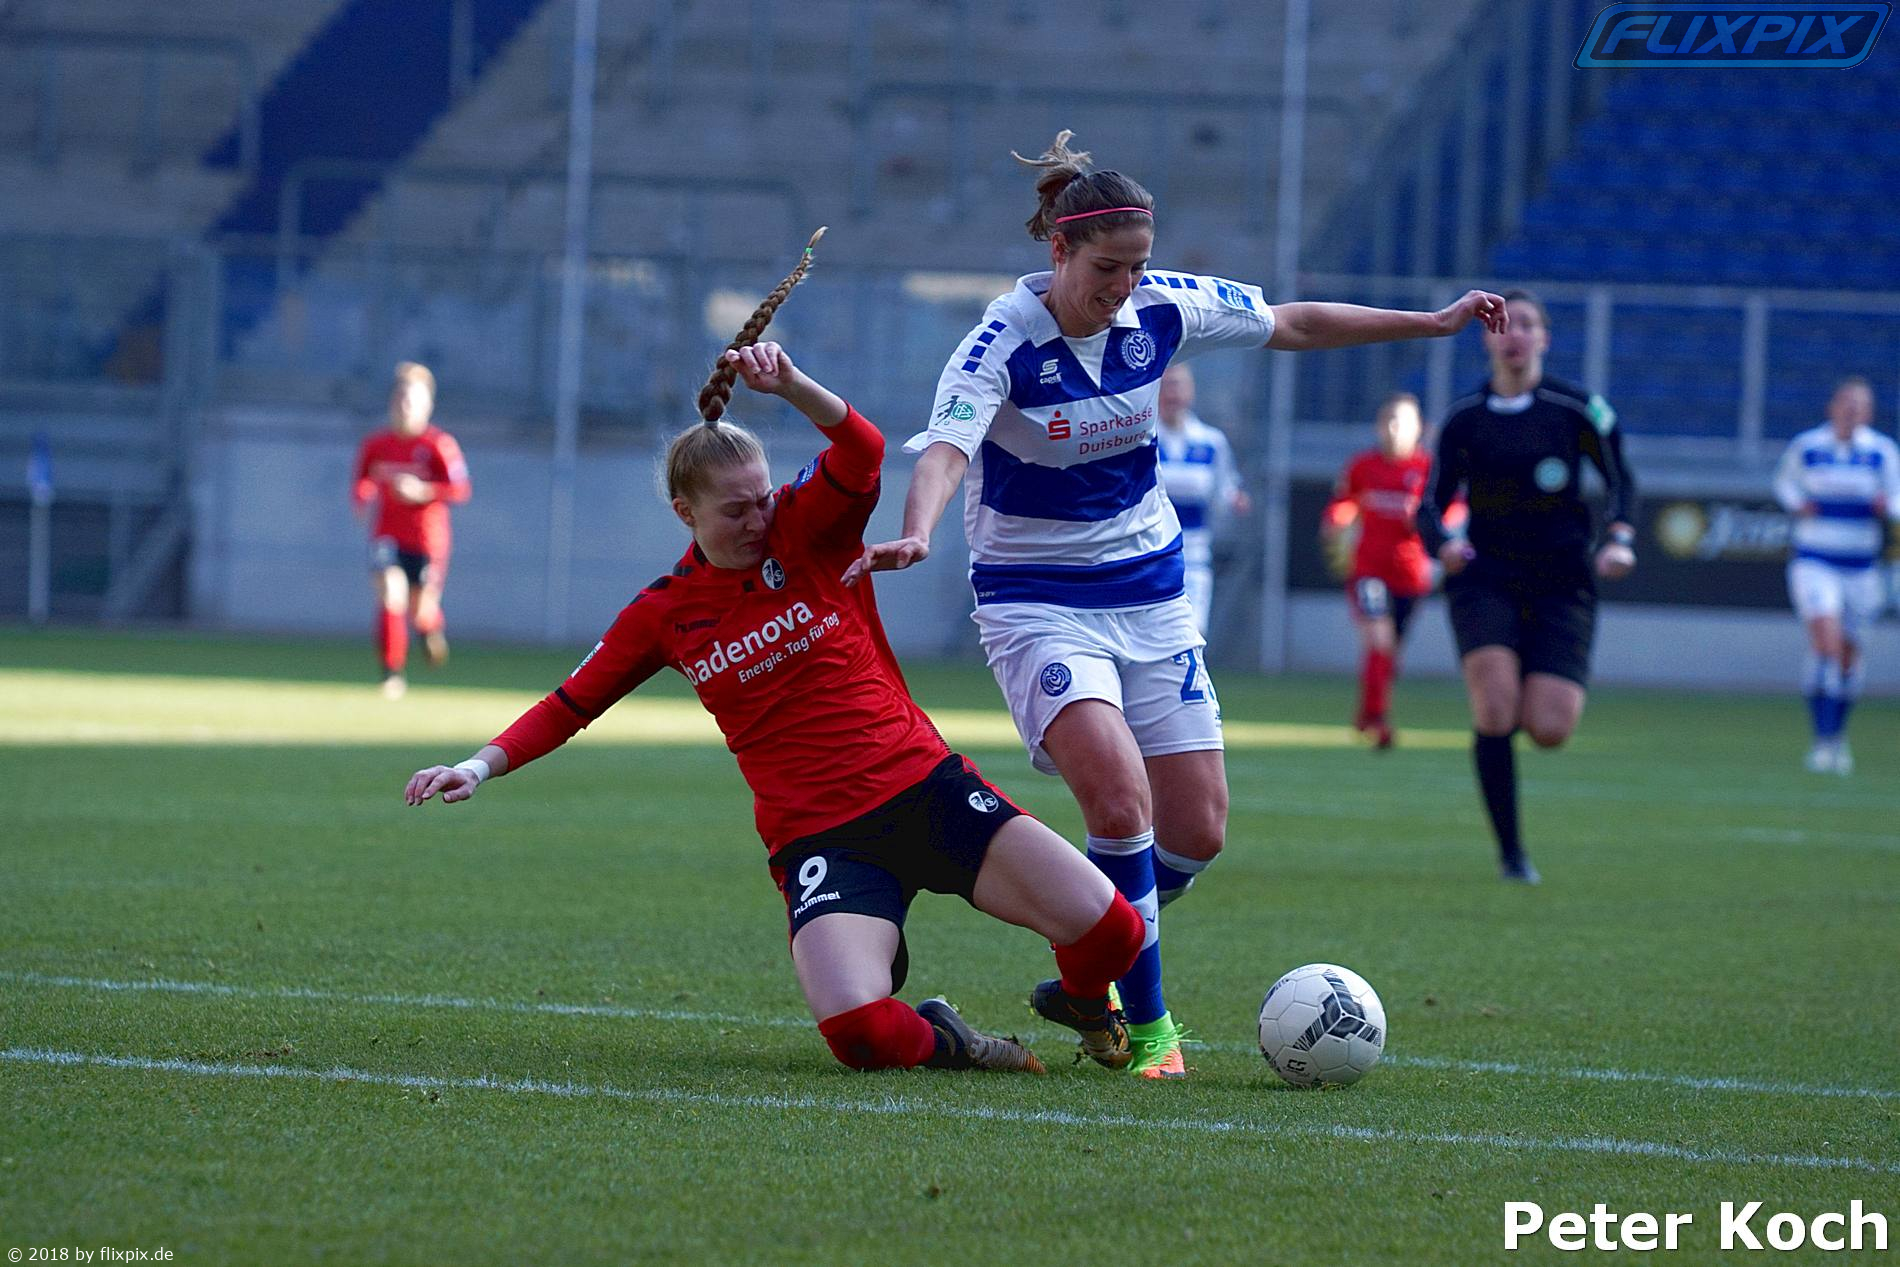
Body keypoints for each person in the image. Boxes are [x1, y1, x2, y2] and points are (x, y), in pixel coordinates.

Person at [844, 131, 1507, 1077]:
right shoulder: (999, 344)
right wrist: (917, 530)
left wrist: (1432, 324)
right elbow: (946, 450)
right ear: (1059, 251)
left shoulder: (1160, 305)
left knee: (1197, 830)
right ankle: (1150, 1031)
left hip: (1152, 593)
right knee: (1120, 802)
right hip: (1037, 601)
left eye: (1137, 266)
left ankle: (1087, 962)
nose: (1124, 286)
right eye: (1106, 269)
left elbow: (1293, 322)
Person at [404, 237, 1144, 1077]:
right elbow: (571, 704)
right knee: (862, 1034)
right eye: (735, 510)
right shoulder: (665, 613)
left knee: (1114, 931)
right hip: (822, 834)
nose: (758, 518)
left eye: (763, 498)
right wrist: (479, 765)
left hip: (925, 787)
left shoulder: (806, 530)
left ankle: (1084, 1001)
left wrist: (791, 384)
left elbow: (863, 451)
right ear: (684, 512)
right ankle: (955, 1040)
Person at [1416, 289, 1636, 885]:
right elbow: (1429, 504)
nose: (1513, 334)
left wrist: (1619, 536)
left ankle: (1523, 701)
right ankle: (1512, 853)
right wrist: (1444, 544)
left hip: (1562, 580)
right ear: (1486, 340)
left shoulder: (1579, 409)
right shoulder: (1464, 418)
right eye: (1502, 325)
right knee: (1494, 707)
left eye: (1527, 324)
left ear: (1544, 338)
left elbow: (1622, 481)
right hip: (1485, 576)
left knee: (1550, 728)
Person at [1773, 376, 1900, 775]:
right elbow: (1784, 485)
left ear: (1869, 412)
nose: (1852, 410)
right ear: (1832, 407)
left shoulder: (1880, 451)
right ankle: (1821, 740)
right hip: (1815, 560)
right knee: (1826, 645)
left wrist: (1887, 507)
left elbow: (1897, 497)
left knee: (1848, 656)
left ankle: (1835, 737)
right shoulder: (1808, 446)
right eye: (1846, 402)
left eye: (1860, 405)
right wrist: (1798, 503)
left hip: (1860, 565)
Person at [1321, 392, 1442, 748]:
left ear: (1419, 428)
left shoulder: (1428, 470)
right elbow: (1344, 502)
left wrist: (1430, 524)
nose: (1393, 429)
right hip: (1368, 570)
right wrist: (1335, 521)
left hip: (1411, 576)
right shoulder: (1363, 466)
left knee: (1389, 654)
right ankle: (1377, 720)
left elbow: (1452, 510)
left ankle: (1367, 714)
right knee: (1379, 639)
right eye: (1388, 421)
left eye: (1401, 422)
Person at [352, 362, 471, 698]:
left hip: (427, 541)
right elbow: (362, 479)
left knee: (421, 611)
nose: (406, 406)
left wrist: (423, 490)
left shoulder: (438, 445)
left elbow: (461, 489)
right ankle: (391, 674)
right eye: (401, 398)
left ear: (427, 406)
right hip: (387, 536)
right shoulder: (377, 444)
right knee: (391, 595)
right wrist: (362, 498)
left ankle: (430, 628)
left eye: (413, 400)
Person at [1155, 363, 1249, 634]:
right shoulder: (1145, 439)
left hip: (1193, 554)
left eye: (1178, 385)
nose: (1172, 393)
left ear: (1191, 391)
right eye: (1166, 386)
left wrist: (1235, 500)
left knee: (1191, 632)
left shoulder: (1210, 442)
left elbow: (1224, 490)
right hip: (1148, 553)